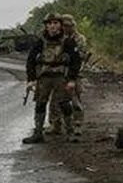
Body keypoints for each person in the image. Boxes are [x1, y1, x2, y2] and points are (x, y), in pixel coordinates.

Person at [22, 14, 82, 145]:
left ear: (60, 25)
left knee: (65, 103)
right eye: (49, 23)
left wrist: (72, 79)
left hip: (61, 76)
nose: (52, 26)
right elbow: (31, 60)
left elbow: (76, 61)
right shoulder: (41, 41)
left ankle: (70, 132)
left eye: (55, 23)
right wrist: (31, 79)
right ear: (46, 26)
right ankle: (38, 133)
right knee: (40, 103)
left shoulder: (68, 41)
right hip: (44, 76)